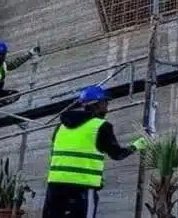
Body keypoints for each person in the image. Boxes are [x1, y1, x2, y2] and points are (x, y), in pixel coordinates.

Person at [41, 85, 148, 218]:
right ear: (95, 105)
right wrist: (137, 145)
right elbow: (117, 154)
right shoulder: (101, 126)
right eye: (105, 102)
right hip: (82, 188)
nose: (107, 107)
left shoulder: (60, 128)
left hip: (55, 188)